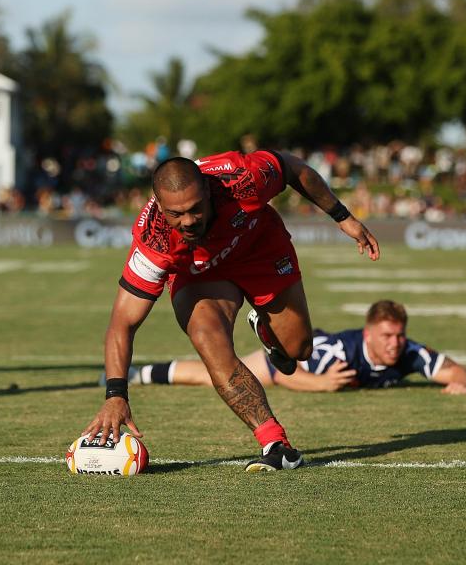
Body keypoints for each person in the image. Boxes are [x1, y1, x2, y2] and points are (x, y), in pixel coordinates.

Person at [82, 149, 380, 472]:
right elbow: (122, 323)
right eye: (176, 214)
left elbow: (293, 168)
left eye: (195, 209)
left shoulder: (241, 178)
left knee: (298, 351)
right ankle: (274, 442)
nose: (188, 221)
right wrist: (115, 394)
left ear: (208, 191)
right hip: (201, 276)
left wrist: (343, 217)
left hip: (259, 249)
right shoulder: (153, 238)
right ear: (158, 205)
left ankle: (266, 330)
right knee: (207, 339)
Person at [113, 300, 466, 395]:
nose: (395, 343)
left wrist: (462, 382)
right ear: (368, 335)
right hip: (294, 352)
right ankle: (135, 373)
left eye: (398, 335)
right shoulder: (337, 353)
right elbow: (280, 372)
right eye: (386, 336)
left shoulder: (409, 352)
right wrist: (323, 384)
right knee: (219, 376)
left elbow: (457, 370)